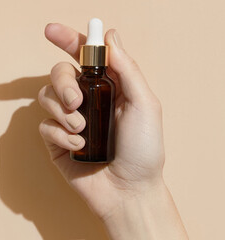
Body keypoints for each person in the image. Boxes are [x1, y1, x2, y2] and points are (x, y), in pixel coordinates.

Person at [37, 23, 189, 240]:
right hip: (103, 175)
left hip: (126, 177)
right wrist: (131, 199)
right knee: (73, 101)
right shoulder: (86, 83)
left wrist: (138, 189)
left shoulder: (107, 84)